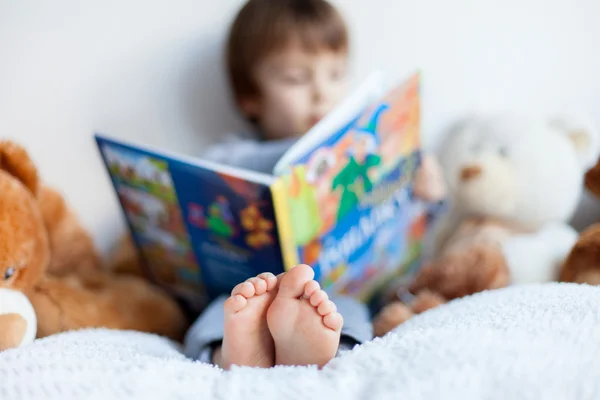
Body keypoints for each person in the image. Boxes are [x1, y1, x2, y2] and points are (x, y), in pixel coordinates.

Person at [183, 0, 446, 370]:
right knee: (224, 310)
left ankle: (322, 350)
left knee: (343, 310)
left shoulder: (364, 152)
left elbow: (408, 237)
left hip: (338, 287)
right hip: (249, 285)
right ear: (250, 97)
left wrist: (426, 197)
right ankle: (231, 353)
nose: (322, 92)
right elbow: (216, 165)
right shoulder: (234, 153)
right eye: (296, 78)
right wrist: (298, 154)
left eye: (336, 74)